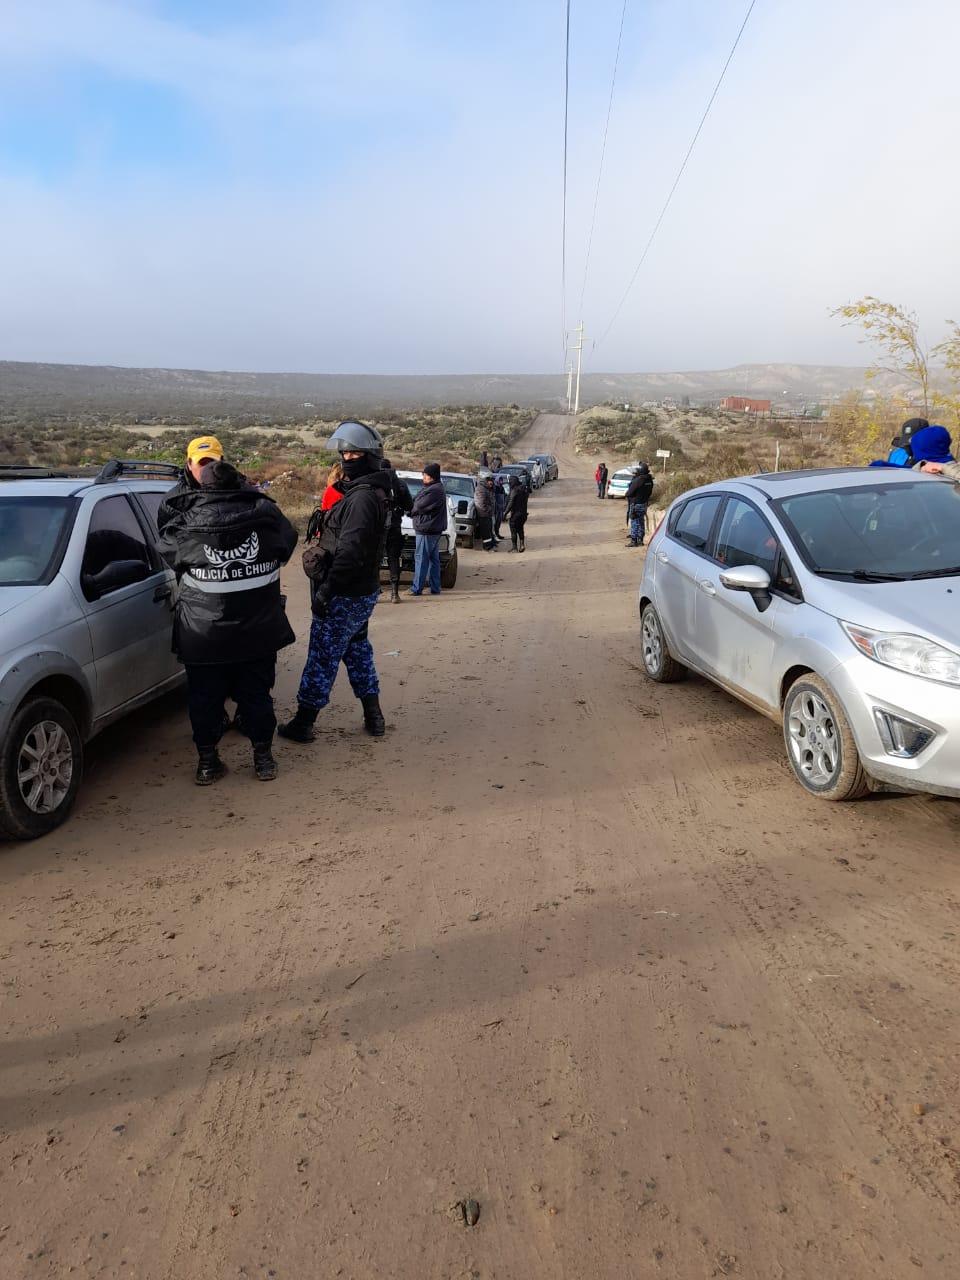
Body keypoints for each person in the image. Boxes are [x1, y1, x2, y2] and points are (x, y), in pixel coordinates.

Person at [156, 457, 298, 785]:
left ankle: (208, 763)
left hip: (202, 633)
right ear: (239, 483)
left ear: (202, 487)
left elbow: (167, 550)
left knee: (204, 699)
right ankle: (263, 759)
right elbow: (286, 543)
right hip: (257, 630)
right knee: (257, 694)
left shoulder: (185, 523)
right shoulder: (266, 514)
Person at [279, 420, 392, 743]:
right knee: (357, 651)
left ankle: (304, 723)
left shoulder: (362, 500)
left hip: (344, 592)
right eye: (345, 453)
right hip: (362, 590)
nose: (347, 458)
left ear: (369, 456)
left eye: (354, 453)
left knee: (322, 657)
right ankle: (374, 716)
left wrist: (327, 591)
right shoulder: (373, 491)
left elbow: (350, 551)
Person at [407, 462, 447, 595]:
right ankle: (435, 588)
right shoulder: (433, 488)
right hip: (431, 528)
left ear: (432, 476)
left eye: (426, 475)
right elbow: (416, 502)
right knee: (433, 560)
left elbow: (419, 505)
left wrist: (410, 511)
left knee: (421, 559)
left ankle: (417, 588)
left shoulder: (434, 490)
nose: (423, 477)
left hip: (427, 529)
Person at [380, 457, 413, 602]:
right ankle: (394, 593)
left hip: (378, 527)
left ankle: (375, 591)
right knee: (393, 558)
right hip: (394, 526)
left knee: (375, 559)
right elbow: (409, 506)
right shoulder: (400, 484)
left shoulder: (374, 483)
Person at [624, 463, 654, 547]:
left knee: (634, 522)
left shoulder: (638, 480)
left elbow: (629, 493)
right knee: (641, 521)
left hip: (636, 504)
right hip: (644, 503)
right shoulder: (649, 480)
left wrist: (629, 495)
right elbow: (650, 492)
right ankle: (640, 540)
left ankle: (634, 540)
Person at [503, 473, 529, 552]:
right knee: (520, 528)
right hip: (524, 514)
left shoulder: (514, 490)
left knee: (513, 529)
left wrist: (505, 513)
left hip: (516, 514)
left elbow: (511, 503)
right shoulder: (524, 489)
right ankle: (522, 545)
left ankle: (514, 547)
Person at [473, 470, 497, 551]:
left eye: (492, 481)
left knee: (489, 531)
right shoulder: (481, 489)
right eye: (490, 480)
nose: (491, 482)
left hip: (488, 514)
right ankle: (487, 547)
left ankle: (490, 545)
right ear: (486, 480)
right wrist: (489, 510)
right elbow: (481, 503)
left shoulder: (488, 488)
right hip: (483, 514)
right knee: (485, 532)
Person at [493, 470, 507, 542]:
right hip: (496, 508)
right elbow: (494, 498)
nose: (501, 481)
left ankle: (497, 533)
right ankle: (495, 535)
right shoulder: (495, 488)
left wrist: (504, 505)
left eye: (501, 480)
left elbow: (504, 497)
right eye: (500, 480)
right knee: (495, 522)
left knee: (499, 522)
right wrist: (497, 505)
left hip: (501, 508)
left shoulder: (502, 487)